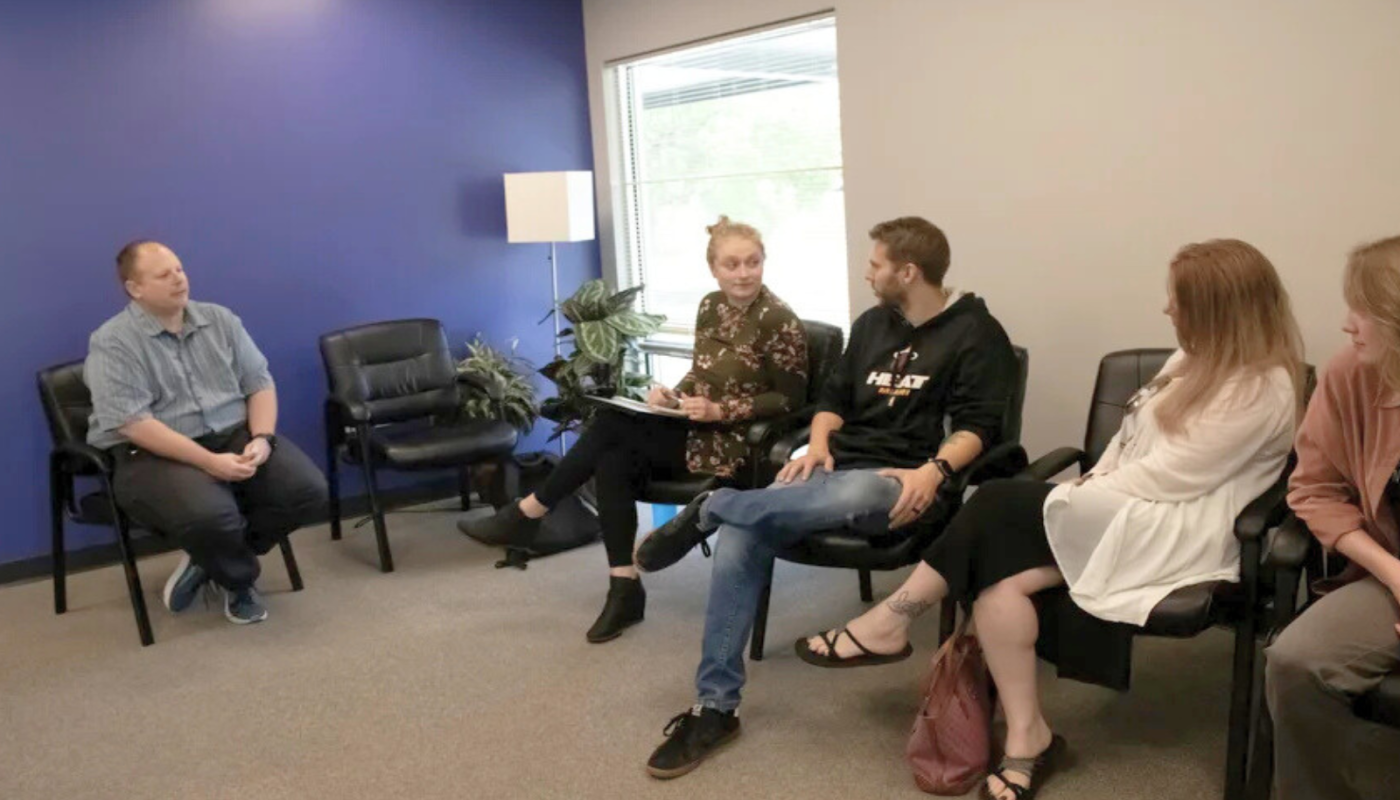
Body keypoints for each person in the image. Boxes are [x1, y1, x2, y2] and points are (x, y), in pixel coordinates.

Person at [798, 238, 1305, 800]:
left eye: (1179, 301)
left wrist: (1077, 495)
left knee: (997, 502)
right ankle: (1028, 736)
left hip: (1181, 527)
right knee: (997, 583)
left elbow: (1174, 477)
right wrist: (1083, 491)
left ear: (1218, 311)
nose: (1167, 309)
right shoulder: (1192, 359)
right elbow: (1128, 444)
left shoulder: (1263, 387)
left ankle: (890, 621)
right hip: (1130, 504)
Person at [633, 216, 1019, 779]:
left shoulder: (977, 335)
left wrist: (933, 471)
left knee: (851, 489)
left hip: (903, 483)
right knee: (744, 531)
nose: (867, 272)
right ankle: (715, 707)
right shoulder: (872, 324)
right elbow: (833, 400)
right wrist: (816, 446)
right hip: (834, 472)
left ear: (908, 272)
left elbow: (980, 427)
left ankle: (713, 506)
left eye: (876, 264)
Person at [459, 216, 809, 643]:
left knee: (611, 431)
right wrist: (673, 395)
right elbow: (702, 373)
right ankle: (622, 583)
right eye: (731, 264)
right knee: (614, 455)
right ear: (713, 269)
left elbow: (790, 400)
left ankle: (529, 513)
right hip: (693, 427)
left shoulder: (779, 320)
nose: (743, 273)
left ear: (763, 262)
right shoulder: (710, 306)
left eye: (752, 262)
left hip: (738, 443)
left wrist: (721, 409)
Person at [85, 240, 328, 625]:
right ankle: (238, 580)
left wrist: (262, 438)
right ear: (135, 288)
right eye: (163, 275)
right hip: (151, 451)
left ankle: (209, 559)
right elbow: (132, 422)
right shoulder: (113, 341)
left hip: (231, 433)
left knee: (308, 490)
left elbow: (259, 383)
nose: (179, 279)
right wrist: (209, 462)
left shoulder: (220, 319)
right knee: (212, 517)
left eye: (179, 269)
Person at [1265, 235, 1400, 800]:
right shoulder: (1351, 375)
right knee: (1296, 661)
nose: (1347, 324)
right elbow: (1314, 489)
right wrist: (1393, 574)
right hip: (1390, 572)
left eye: (1362, 309)